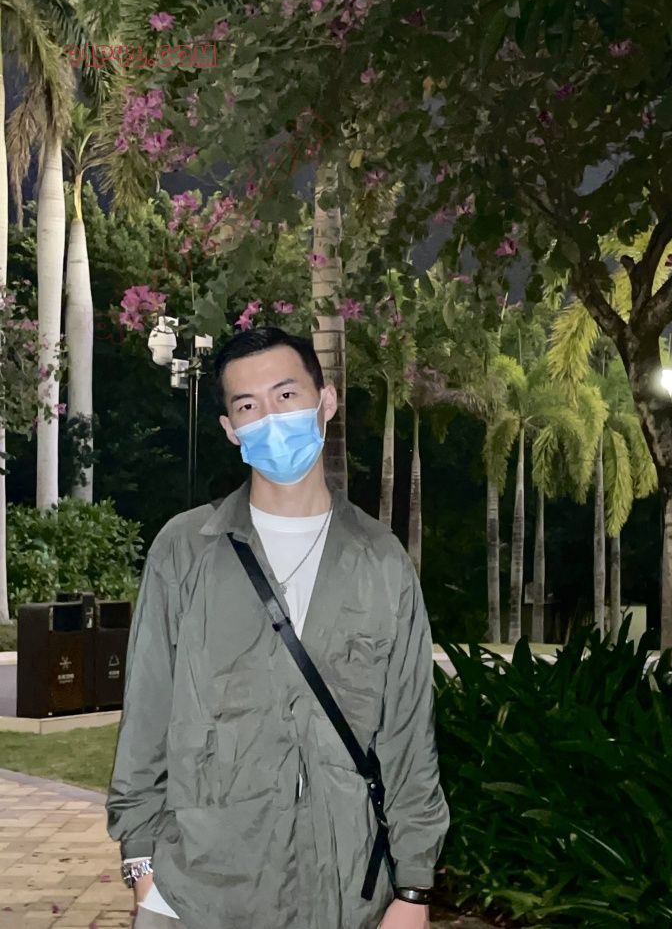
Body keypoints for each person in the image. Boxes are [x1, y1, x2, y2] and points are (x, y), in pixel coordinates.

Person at [106, 326, 449, 929]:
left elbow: (407, 736)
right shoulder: (185, 549)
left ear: (326, 401)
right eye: (248, 406)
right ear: (230, 429)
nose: (270, 418)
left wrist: (414, 890)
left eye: (286, 395)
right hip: (196, 892)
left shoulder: (381, 560)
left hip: (343, 893)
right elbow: (147, 714)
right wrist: (142, 865)